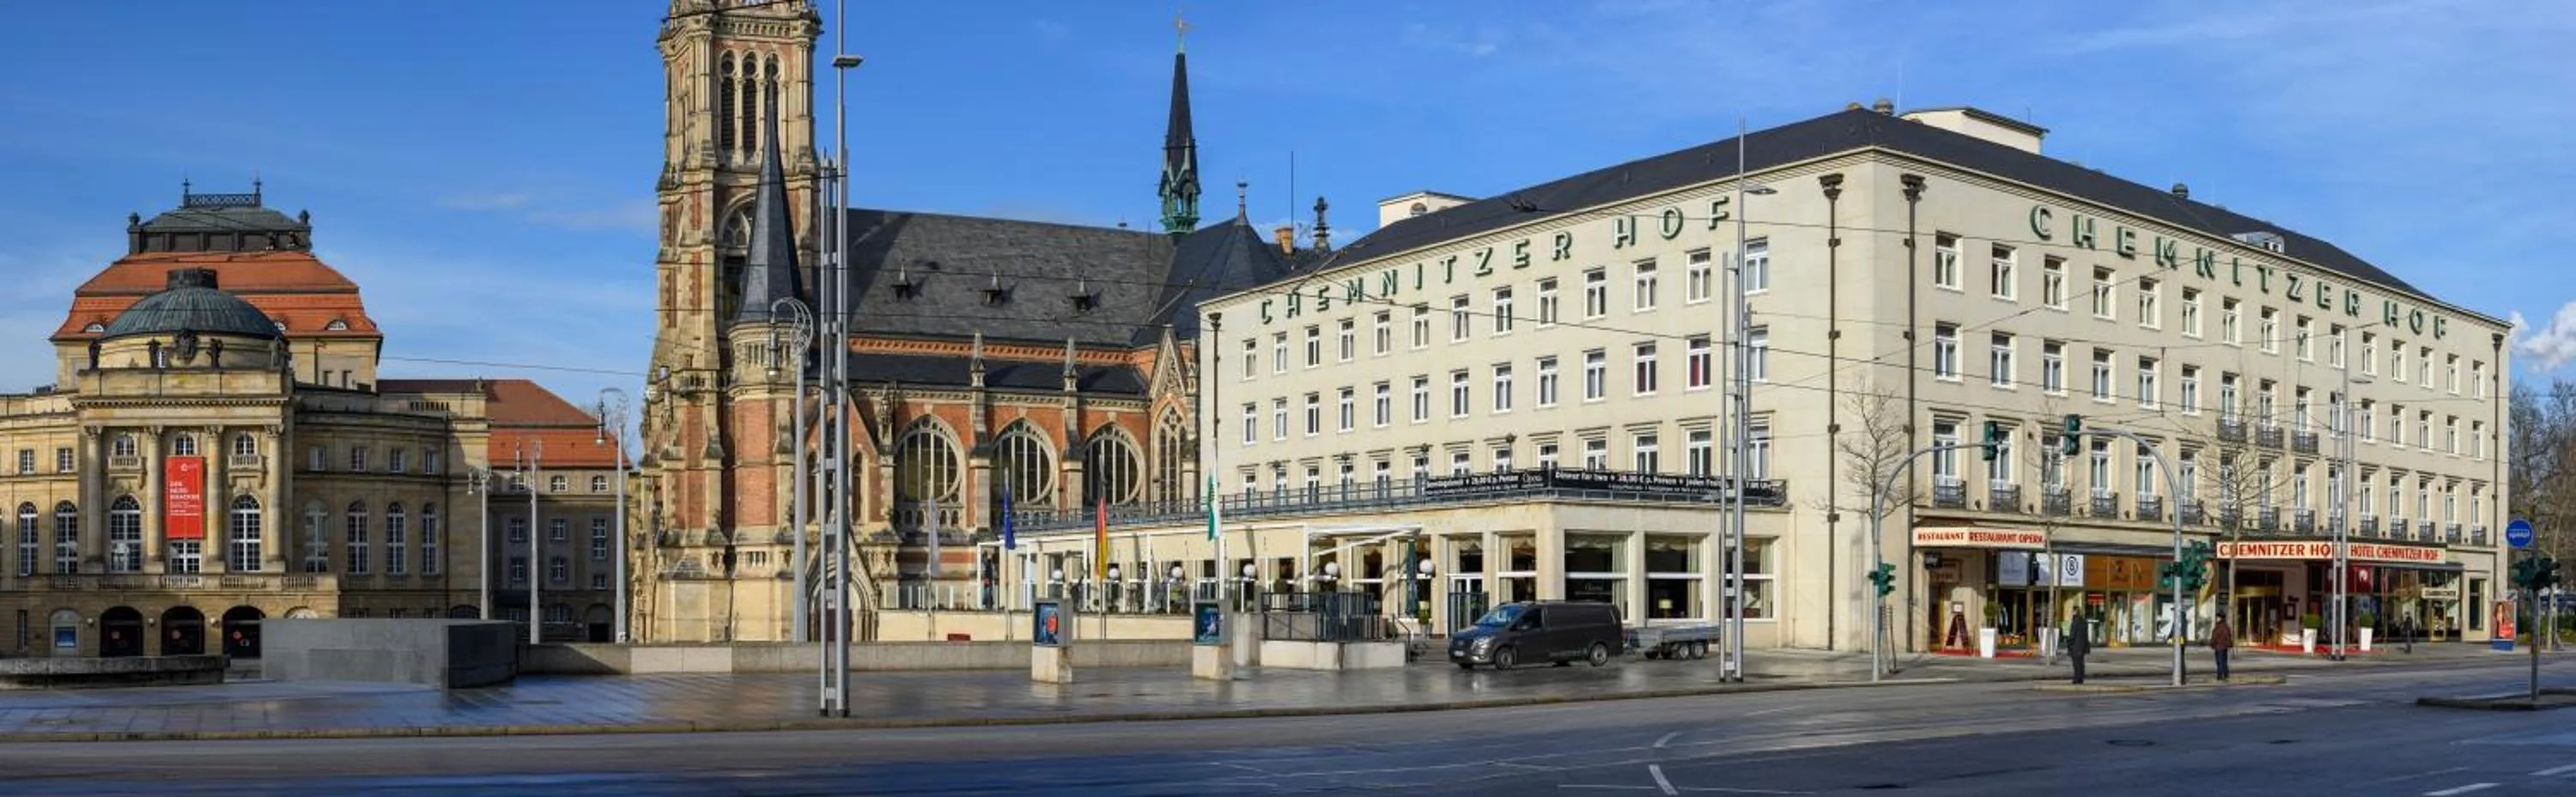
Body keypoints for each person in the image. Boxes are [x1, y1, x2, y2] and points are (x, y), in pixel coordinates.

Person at [2067, 617, 2091, 684]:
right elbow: (2086, 636)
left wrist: (2069, 643)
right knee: (2081, 663)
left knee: (2076, 664)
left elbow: (2072, 635)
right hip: (2082, 647)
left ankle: (2076, 678)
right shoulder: (2084, 623)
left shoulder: (2075, 623)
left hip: (2075, 646)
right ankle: (2080, 678)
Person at [2209, 617, 2234, 682]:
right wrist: (2229, 644)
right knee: (2224, 661)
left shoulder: (2218, 628)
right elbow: (2228, 636)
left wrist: (2212, 644)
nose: (2216, 619)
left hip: (2219, 647)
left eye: (2218, 618)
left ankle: (2220, 675)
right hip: (2224, 647)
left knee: (2219, 662)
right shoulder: (2226, 627)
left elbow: (2214, 637)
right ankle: (2226, 674)